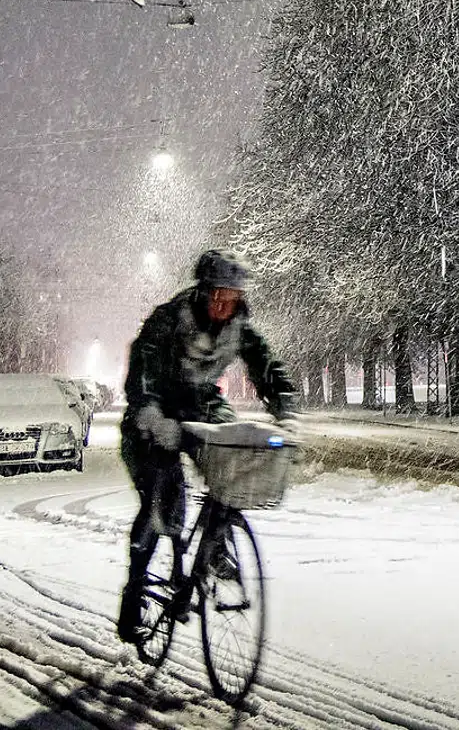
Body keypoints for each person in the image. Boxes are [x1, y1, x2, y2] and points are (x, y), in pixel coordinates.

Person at [117, 248, 297, 642]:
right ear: (202, 292)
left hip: (200, 404)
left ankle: (215, 543)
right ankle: (134, 591)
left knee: (232, 454)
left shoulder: (238, 327)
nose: (223, 305)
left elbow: (266, 366)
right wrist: (150, 414)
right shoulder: (168, 320)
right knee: (163, 504)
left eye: (231, 298)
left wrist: (285, 407)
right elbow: (142, 371)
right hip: (154, 415)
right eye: (217, 296)